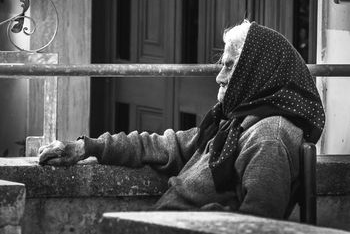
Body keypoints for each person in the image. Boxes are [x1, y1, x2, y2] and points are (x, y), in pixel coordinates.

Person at [39, 20, 325, 219]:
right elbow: (166, 145)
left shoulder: (268, 138)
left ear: (256, 71)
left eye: (229, 66)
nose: (219, 77)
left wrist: (196, 218)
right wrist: (88, 147)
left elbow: (260, 223)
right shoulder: (235, 122)